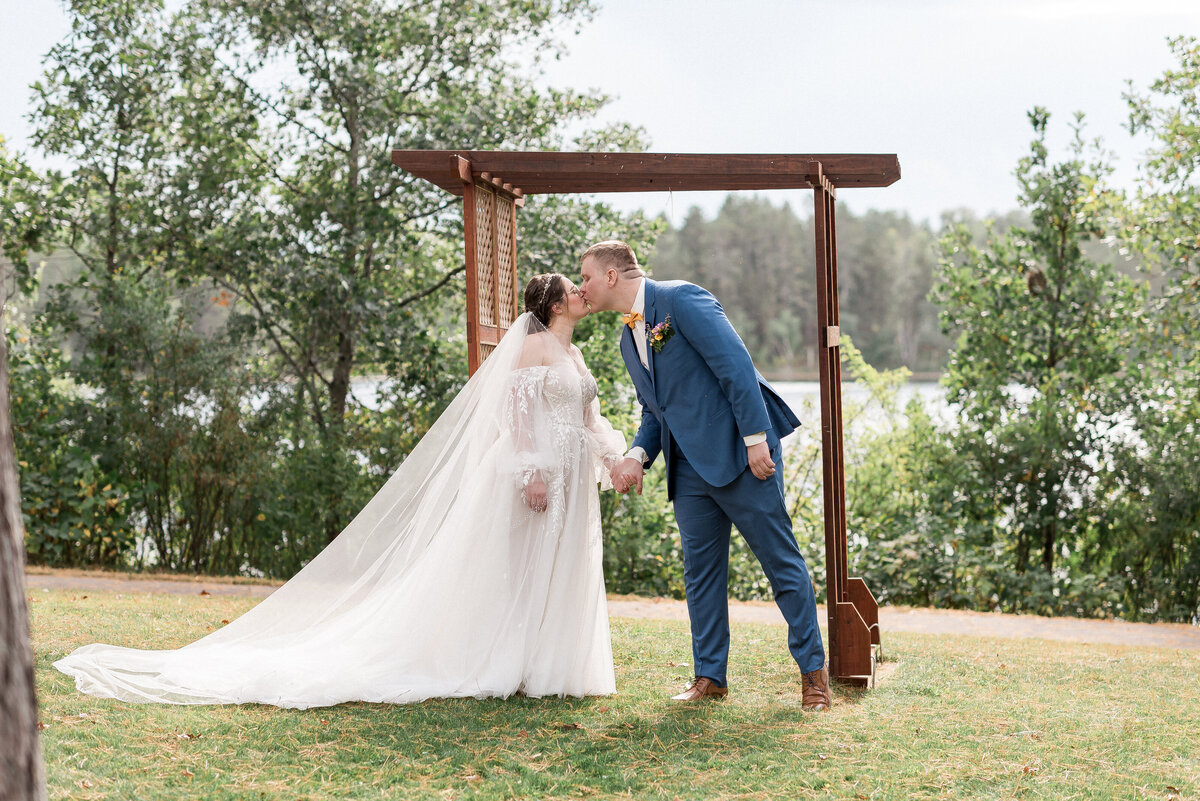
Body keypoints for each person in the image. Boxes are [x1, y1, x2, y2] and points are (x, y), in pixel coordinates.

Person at [54, 274, 626, 708]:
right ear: (553, 305)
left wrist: (614, 459)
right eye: (574, 290)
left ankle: (548, 663)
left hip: (574, 479)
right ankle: (505, 657)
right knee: (516, 565)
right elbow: (516, 412)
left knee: (556, 566)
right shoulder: (531, 350)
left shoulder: (574, 353)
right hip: (536, 474)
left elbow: (589, 417)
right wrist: (530, 469)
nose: (583, 294)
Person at [578, 240, 832, 711]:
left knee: (782, 565)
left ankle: (814, 677)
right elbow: (655, 409)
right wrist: (636, 454)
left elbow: (735, 365)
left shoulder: (680, 299)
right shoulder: (625, 338)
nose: (582, 287)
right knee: (700, 575)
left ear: (611, 275)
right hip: (687, 468)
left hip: (740, 454)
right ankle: (710, 677)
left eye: (586, 277)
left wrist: (756, 437)